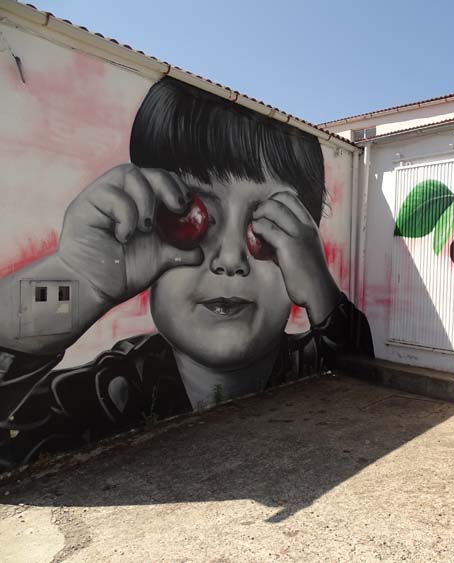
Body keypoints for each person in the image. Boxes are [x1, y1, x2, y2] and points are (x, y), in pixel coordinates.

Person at [0, 77, 372, 470]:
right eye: (193, 219)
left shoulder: (317, 366)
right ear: (146, 218)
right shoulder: (103, 392)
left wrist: (320, 291)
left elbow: (363, 383)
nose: (230, 259)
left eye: (264, 227)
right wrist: (77, 279)